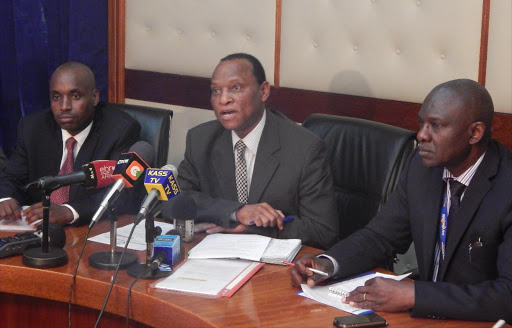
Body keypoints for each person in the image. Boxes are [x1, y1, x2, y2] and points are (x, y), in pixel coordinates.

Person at [290, 79, 512, 323]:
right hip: (425, 318)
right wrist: (328, 264)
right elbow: (381, 236)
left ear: (475, 132)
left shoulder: (506, 187)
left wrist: (415, 295)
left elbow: (507, 295)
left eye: (436, 126)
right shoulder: (422, 165)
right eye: (422, 123)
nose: (421, 135)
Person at [164, 53, 338, 249]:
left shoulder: (304, 148)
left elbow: (323, 230)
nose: (223, 100)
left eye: (235, 88)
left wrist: (251, 229)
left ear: (263, 91)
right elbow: (172, 201)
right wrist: (235, 212)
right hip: (214, 257)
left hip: (273, 266)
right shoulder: (200, 139)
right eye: (215, 90)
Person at [0, 62, 141, 226]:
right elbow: (12, 177)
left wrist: (70, 211)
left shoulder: (120, 130)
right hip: (36, 229)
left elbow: (124, 194)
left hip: (87, 230)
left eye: (75, 96)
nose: (64, 106)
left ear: (94, 97)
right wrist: (5, 198)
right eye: (56, 97)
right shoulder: (32, 128)